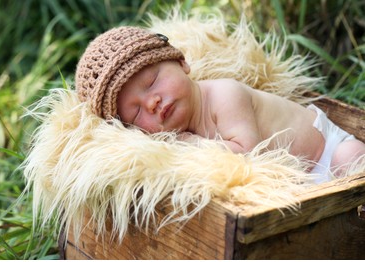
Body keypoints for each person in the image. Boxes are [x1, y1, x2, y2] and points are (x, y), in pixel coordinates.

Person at [75, 26, 365, 183]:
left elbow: (246, 153)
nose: (151, 102)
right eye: (135, 111)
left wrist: (191, 143)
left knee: (351, 158)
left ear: (181, 62)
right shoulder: (166, 143)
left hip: (324, 153)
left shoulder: (225, 94)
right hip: (298, 186)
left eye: (152, 82)